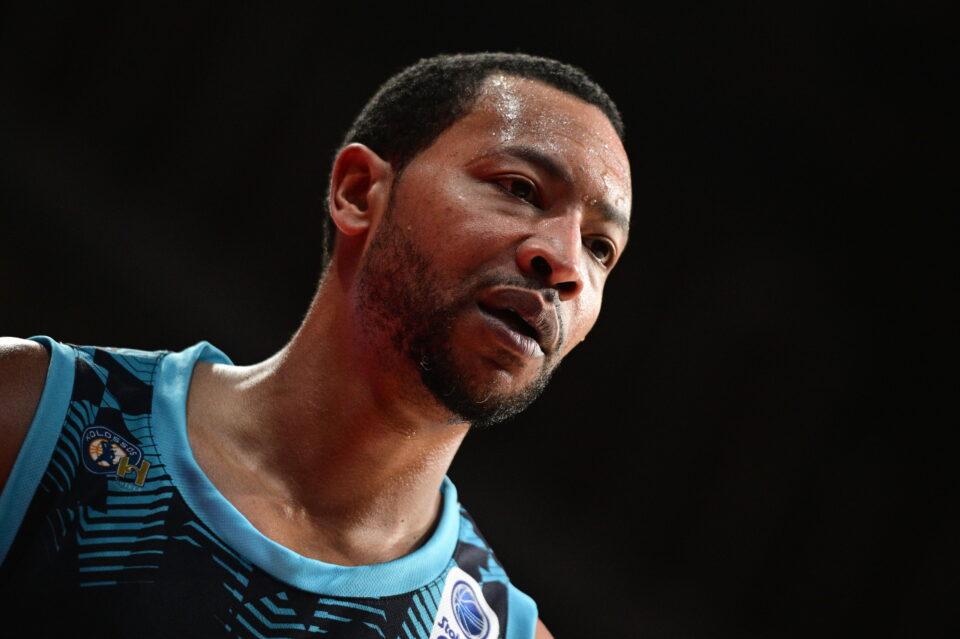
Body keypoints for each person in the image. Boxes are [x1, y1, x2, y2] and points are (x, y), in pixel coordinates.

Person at [0, 52, 631, 637]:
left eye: (600, 248)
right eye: (520, 188)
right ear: (359, 192)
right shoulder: (31, 417)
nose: (566, 263)